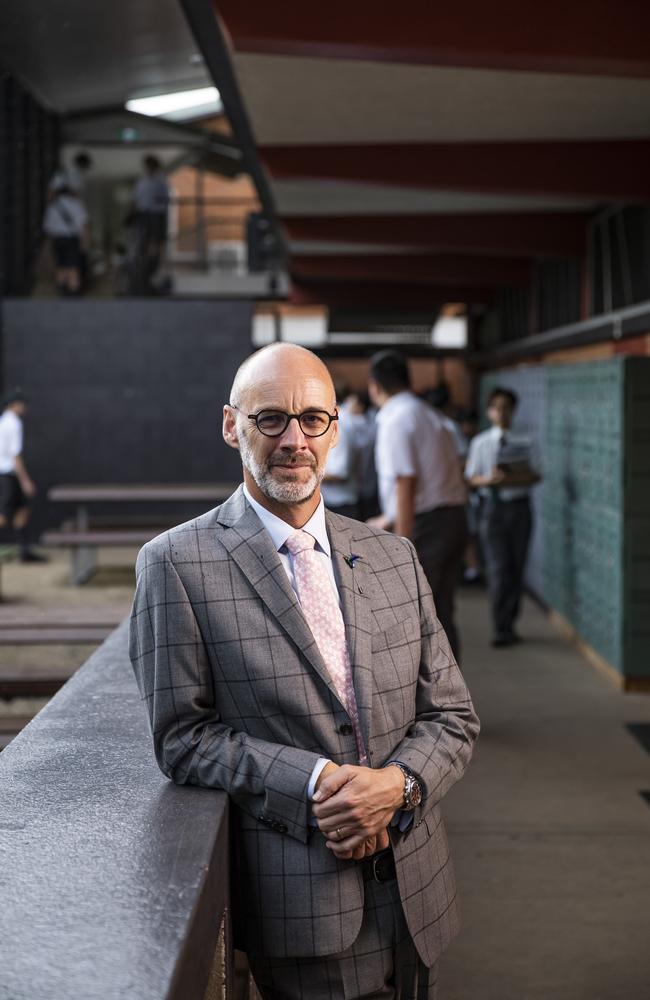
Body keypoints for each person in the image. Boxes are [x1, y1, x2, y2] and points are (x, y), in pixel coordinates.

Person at [129, 343, 479, 1000]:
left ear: (336, 429)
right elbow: (182, 737)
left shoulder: (394, 555)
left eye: (313, 419)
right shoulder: (175, 565)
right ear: (232, 425)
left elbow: (453, 715)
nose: (295, 440)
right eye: (271, 420)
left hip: (418, 895)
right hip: (304, 906)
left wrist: (399, 786)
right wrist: (318, 785)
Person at [368, 351, 468, 659]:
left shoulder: (396, 420)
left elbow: (406, 482)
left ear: (374, 386)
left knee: (417, 615)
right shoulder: (429, 414)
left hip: (428, 525)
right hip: (452, 518)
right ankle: (450, 696)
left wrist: (402, 543)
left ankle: (431, 699)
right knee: (440, 612)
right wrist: (389, 517)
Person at [464, 387, 542, 647]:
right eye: (496, 406)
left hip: (519, 508)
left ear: (513, 410)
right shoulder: (481, 442)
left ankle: (510, 622)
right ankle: (500, 627)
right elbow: (472, 478)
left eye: (507, 406)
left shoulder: (525, 441)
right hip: (493, 508)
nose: (502, 411)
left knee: (517, 567)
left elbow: (537, 475)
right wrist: (491, 480)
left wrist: (513, 478)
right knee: (498, 568)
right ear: (489, 411)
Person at [0, 390, 46, 563]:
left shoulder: (3, 421)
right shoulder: (13, 423)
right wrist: (25, 481)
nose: (24, 407)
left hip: (6, 473)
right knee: (4, 515)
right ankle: (25, 552)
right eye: (21, 404)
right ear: (15, 404)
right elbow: (15, 456)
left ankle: (25, 552)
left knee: (22, 510)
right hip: (8, 475)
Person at [129, 154, 170, 294]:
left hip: (155, 214)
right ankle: (146, 267)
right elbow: (136, 200)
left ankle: (153, 266)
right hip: (145, 214)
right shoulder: (143, 181)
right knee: (146, 242)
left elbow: (164, 200)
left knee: (156, 242)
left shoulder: (159, 180)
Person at [42, 180, 88, 295]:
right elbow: (83, 225)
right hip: (72, 239)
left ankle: (62, 292)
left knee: (60, 267)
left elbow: (48, 228)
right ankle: (73, 292)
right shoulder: (75, 204)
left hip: (58, 239)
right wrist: (84, 241)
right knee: (72, 267)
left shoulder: (52, 207)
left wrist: (47, 246)